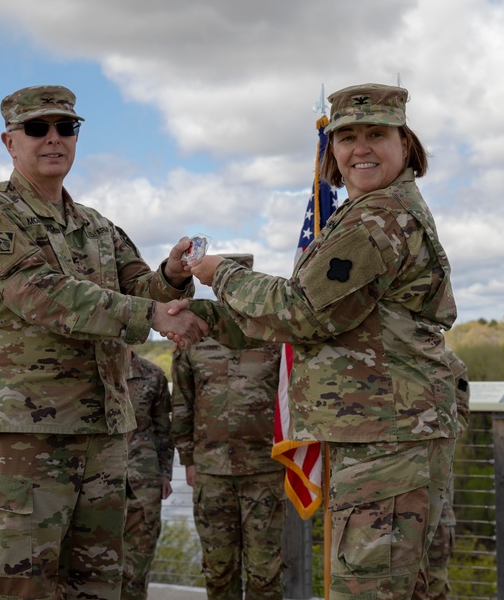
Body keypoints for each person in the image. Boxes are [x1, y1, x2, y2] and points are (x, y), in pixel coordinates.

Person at [188, 83, 458, 600]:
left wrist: (220, 274)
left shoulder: (379, 219)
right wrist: (203, 317)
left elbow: (302, 311)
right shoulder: (367, 212)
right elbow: (320, 321)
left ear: (405, 143)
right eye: (347, 137)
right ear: (331, 150)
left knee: (368, 588)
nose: (361, 149)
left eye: (376, 134)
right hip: (381, 435)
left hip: (386, 442)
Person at [0, 84, 208, 600]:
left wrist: (171, 279)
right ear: (9, 141)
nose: (54, 138)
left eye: (67, 127)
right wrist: (152, 311)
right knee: (20, 588)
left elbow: (140, 292)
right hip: (25, 439)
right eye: (37, 129)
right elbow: (38, 295)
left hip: (104, 437)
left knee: (97, 586)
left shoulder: (97, 227)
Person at [171, 255, 285, 600]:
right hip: (211, 471)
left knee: (266, 573)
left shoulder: (275, 338)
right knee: (219, 571)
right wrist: (187, 458)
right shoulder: (195, 339)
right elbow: (182, 401)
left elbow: (292, 399)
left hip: (265, 470)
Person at [121, 351, 174, 600]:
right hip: (93, 483)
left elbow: (164, 430)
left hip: (143, 482)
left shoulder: (152, 375)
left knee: (137, 563)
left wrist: (165, 473)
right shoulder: (85, 369)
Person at [424, 348, 470, 600]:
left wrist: (426, 433)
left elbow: (461, 416)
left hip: (433, 485)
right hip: (386, 485)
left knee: (434, 580)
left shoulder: (448, 362)